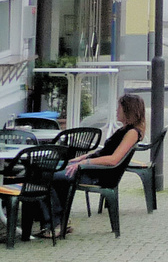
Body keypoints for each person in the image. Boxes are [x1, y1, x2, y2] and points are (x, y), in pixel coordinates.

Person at [51, 93, 146, 236]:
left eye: (118, 108)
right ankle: (57, 220)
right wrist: (82, 157)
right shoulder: (124, 129)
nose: (116, 111)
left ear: (127, 110)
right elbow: (105, 152)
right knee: (48, 170)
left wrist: (84, 162)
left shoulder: (132, 133)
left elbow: (113, 159)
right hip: (92, 169)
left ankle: (54, 223)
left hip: (97, 174)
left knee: (49, 177)